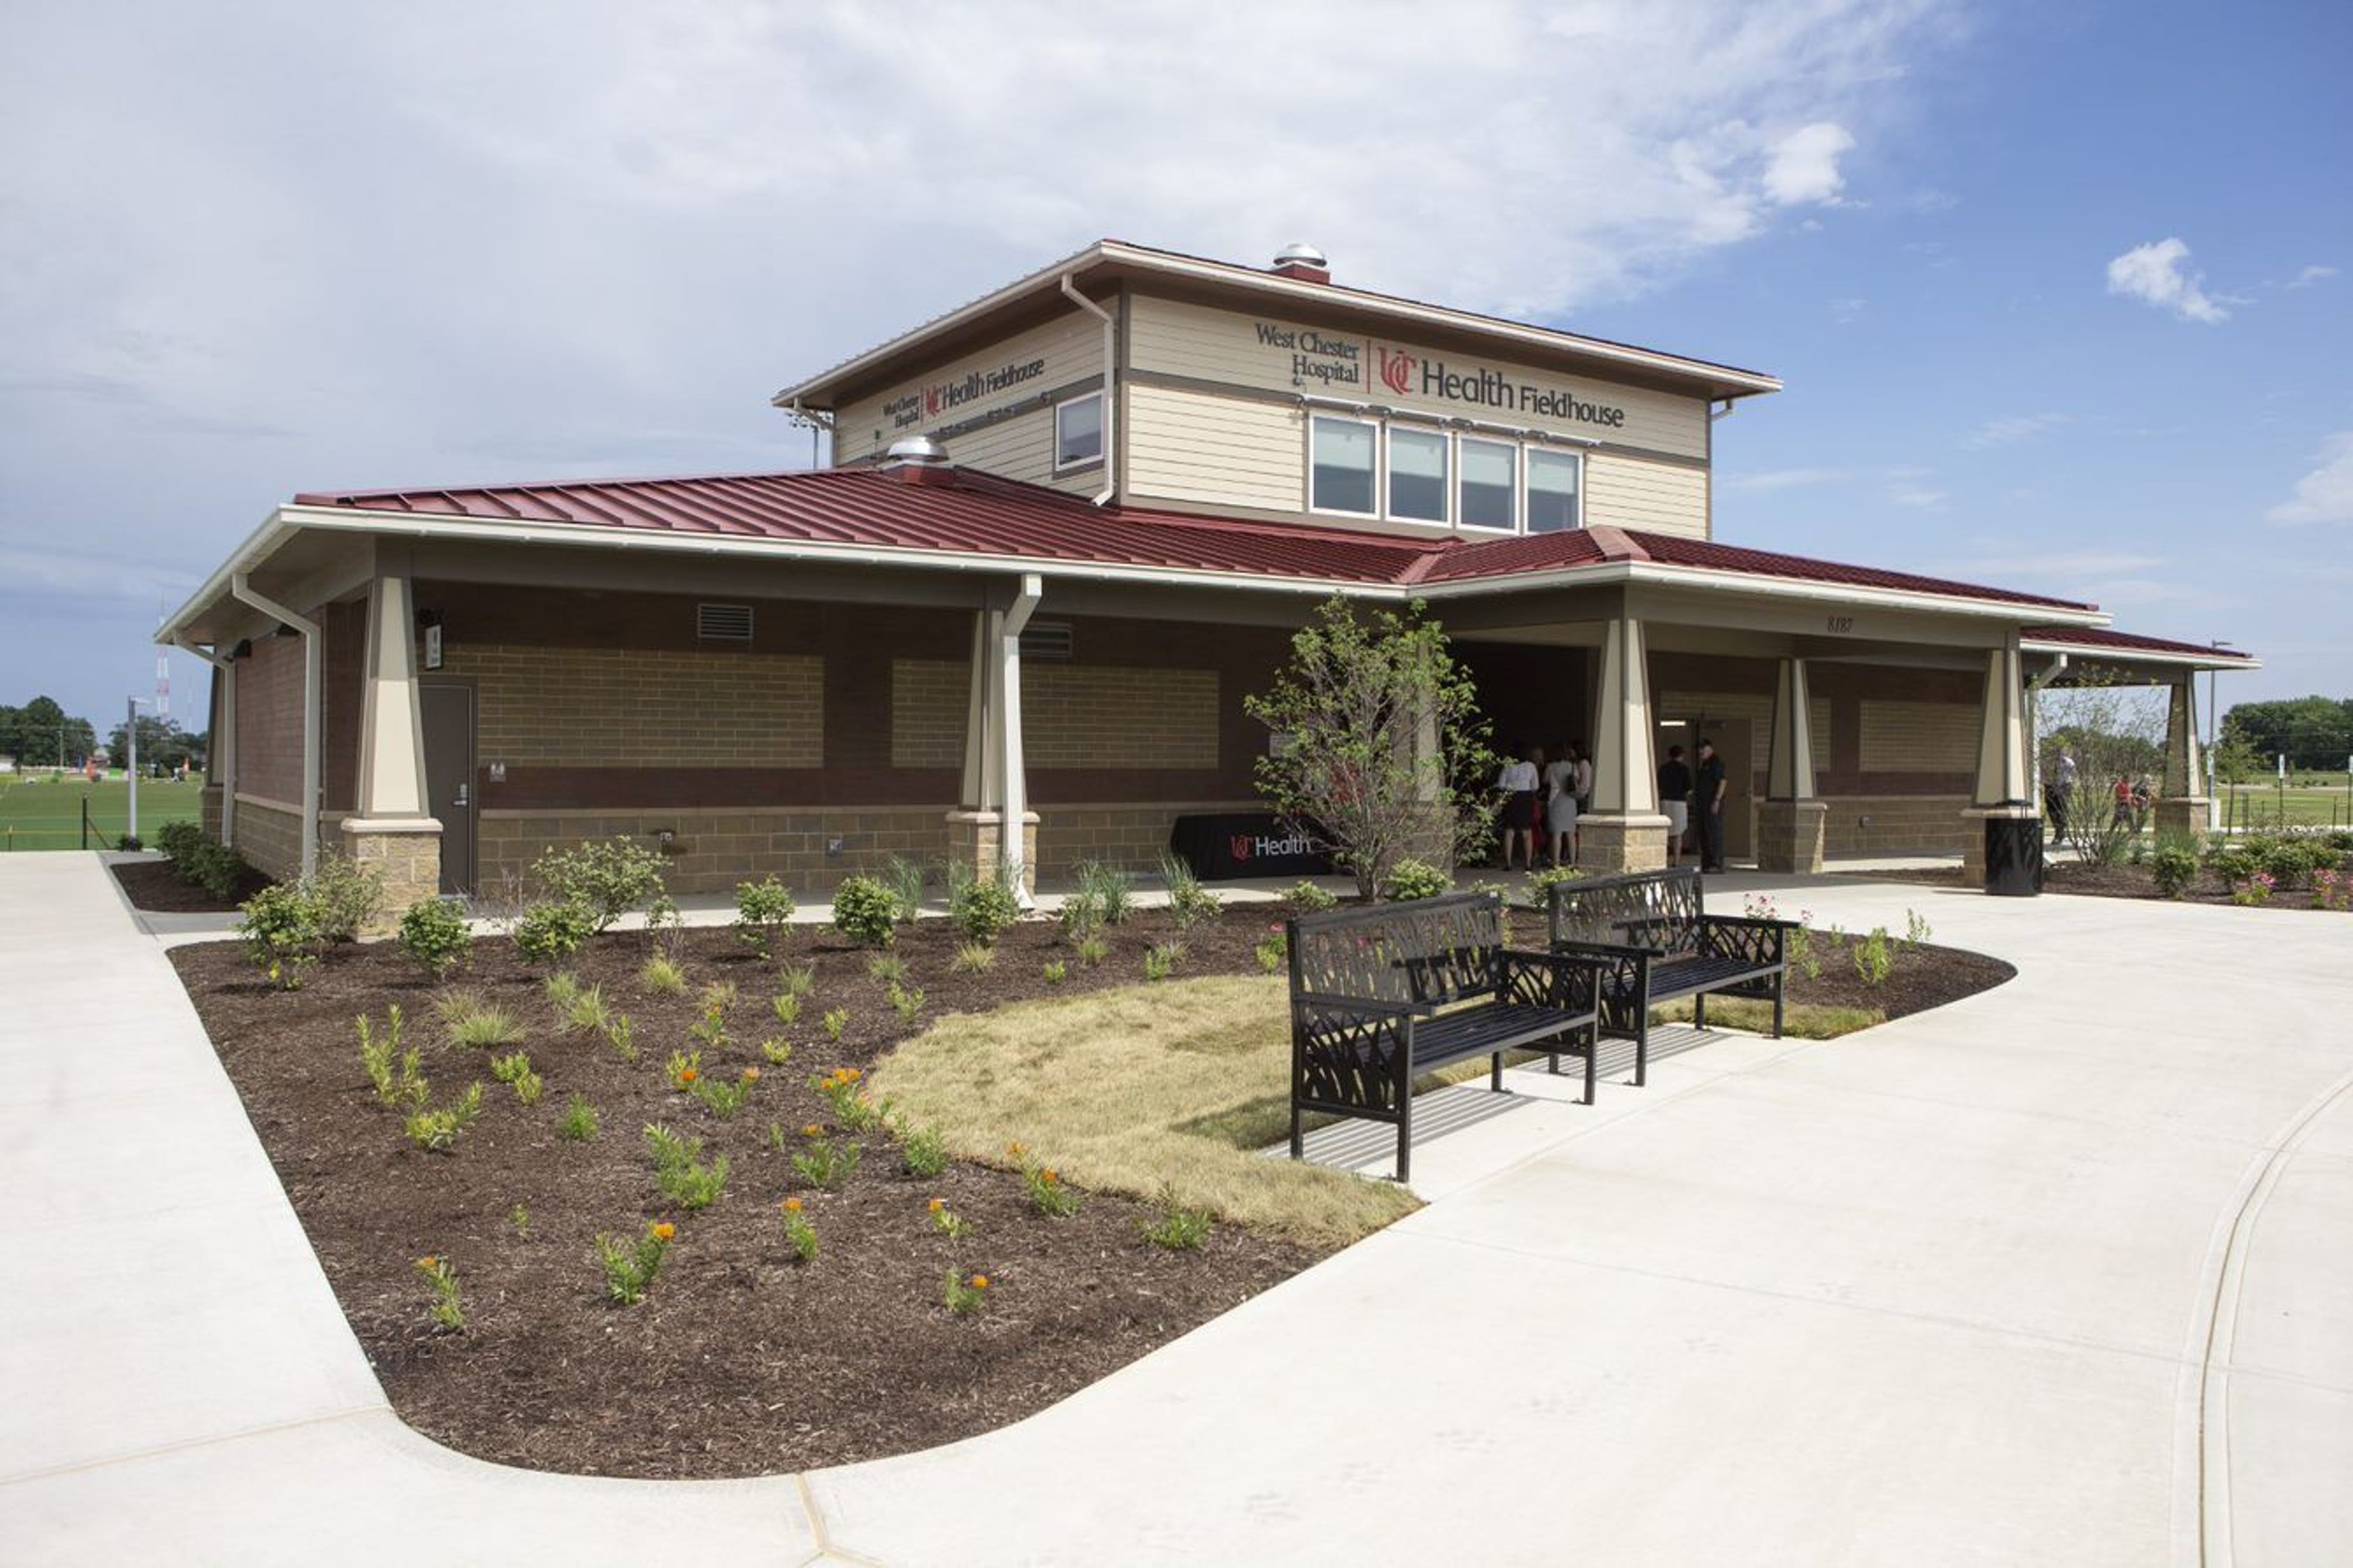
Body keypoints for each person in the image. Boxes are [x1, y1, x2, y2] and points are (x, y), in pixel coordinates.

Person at [1496, 743, 1540, 871]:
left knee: (1510, 831)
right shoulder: (1531, 766)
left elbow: (1501, 784)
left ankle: (1509, 864)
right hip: (1526, 798)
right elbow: (1536, 786)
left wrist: (1510, 787)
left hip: (1511, 798)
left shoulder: (1508, 765)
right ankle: (1528, 864)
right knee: (1527, 832)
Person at [1694, 736, 1729, 873]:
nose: (1701, 751)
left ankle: (1717, 863)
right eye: (1700, 749)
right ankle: (1707, 863)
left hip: (1712, 804)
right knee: (1704, 833)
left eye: (1703, 748)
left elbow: (1723, 781)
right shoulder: (1704, 764)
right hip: (1702, 805)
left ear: (1710, 749)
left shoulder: (1716, 763)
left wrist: (1717, 801)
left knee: (1714, 833)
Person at [1657, 744, 1693, 867]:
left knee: (1665, 832)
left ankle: (1663, 860)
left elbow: (1659, 787)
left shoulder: (1663, 769)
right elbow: (1689, 789)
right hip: (1679, 802)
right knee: (1678, 833)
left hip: (1665, 801)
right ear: (1682, 755)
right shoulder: (1684, 769)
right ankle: (1676, 861)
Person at [1543, 743, 1580, 866]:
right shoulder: (1572, 766)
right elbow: (1576, 780)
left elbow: (1545, 781)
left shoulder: (1551, 766)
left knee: (1557, 834)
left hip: (1555, 801)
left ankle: (1556, 863)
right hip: (1570, 801)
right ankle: (1573, 862)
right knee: (1571, 834)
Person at [2048, 748, 2077, 839]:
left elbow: (2073, 774)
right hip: (2052, 786)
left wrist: (2067, 785)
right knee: (2052, 810)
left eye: (2059, 751)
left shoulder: (2069, 762)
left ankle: (2061, 831)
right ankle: (2058, 829)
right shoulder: (2050, 761)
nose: (2057, 753)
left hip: (2064, 786)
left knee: (2061, 809)